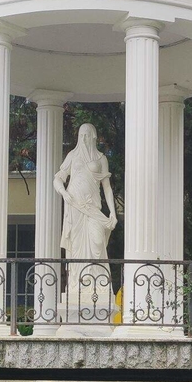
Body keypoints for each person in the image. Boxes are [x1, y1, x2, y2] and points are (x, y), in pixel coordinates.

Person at [53, 123, 117, 308]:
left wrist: (112, 212)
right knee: (76, 246)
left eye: (87, 135)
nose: (83, 138)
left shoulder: (101, 158)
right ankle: (77, 285)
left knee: (97, 241)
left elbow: (107, 188)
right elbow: (58, 178)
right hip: (74, 207)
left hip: (92, 208)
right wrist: (63, 192)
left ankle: (98, 285)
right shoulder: (72, 156)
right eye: (81, 135)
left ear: (94, 137)